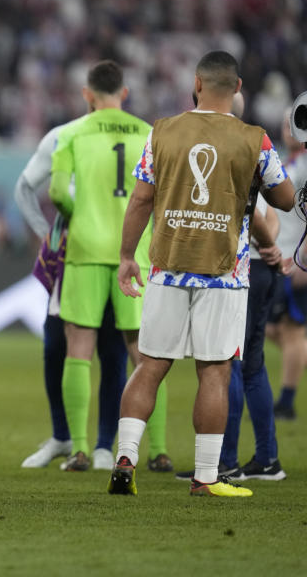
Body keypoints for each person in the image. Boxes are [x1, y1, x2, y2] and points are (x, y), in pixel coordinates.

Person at [109, 50, 293, 498]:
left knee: (150, 366)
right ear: (239, 88)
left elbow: (140, 200)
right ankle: (206, 477)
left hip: (167, 268)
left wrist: (128, 256)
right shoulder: (256, 139)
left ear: (196, 83)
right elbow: (286, 199)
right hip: (225, 274)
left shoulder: (163, 132)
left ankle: (125, 459)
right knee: (215, 371)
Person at [48, 60, 171, 472]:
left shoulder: (72, 132)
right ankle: (158, 451)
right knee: (145, 353)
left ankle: (80, 449)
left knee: (78, 348)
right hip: (134, 253)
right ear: (125, 92)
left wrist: (78, 213)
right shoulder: (149, 133)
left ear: (87, 95)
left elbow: (56, 192)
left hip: (84, 247)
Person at [14, 115, 129, 471]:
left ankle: (103, 445)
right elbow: (25, 187)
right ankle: (64, 437)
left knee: (112, 349)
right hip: (76, 257)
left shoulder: (130, 133)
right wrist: (46, 233)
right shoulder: (65, 135)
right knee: (56, 346)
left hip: (114, 256)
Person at [270, 111, 307, 421]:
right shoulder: (290, 160)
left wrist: (304, 260)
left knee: (292, 332)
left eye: (291, 124)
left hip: (295, 260)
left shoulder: (306, 166)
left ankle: (286, 402)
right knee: (275, 329)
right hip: (280, 258)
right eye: (284, 124)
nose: (286, 129)